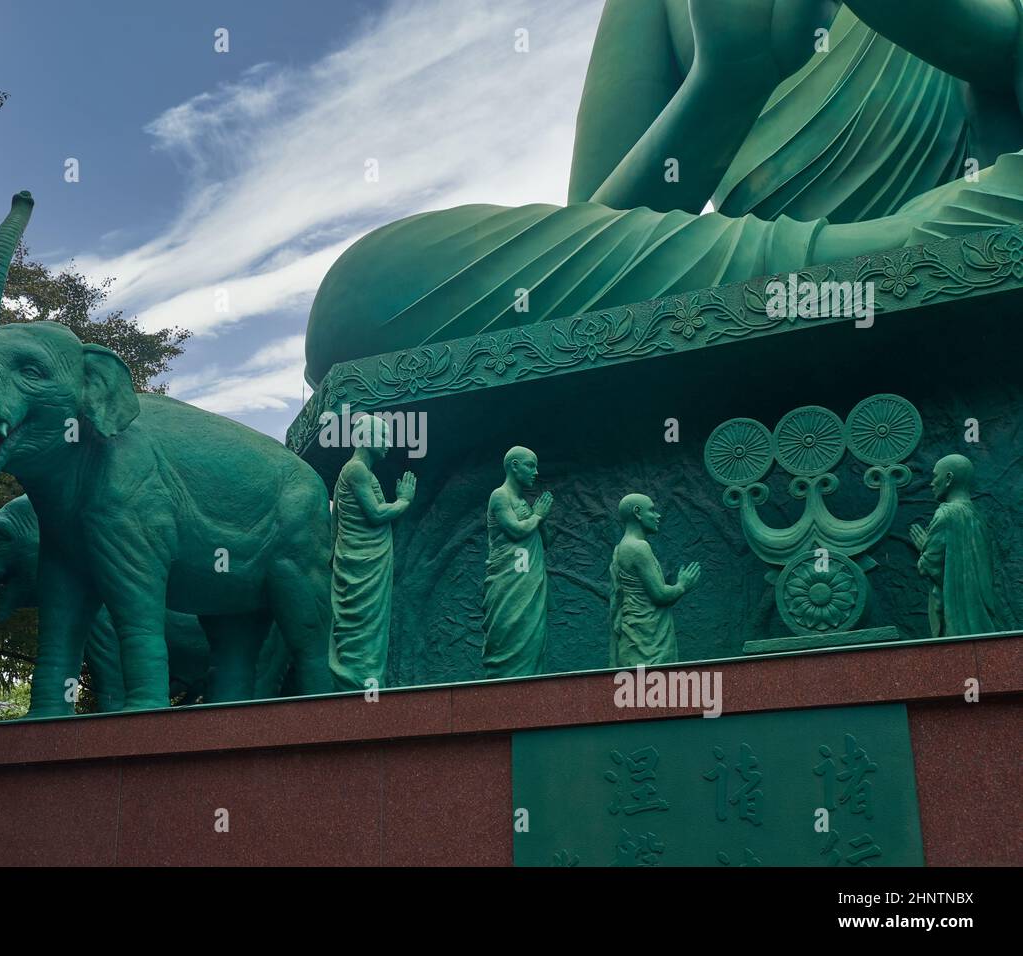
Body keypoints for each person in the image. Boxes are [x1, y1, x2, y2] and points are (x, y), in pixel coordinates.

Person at [305, 0, 1023, 385]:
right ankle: (891, 256)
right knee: (365, 296)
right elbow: (593, 237)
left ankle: (908, 255)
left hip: (993, 226)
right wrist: (726, 82)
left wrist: (956, 29)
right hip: (762, 295)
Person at [329, 414, 416, 690]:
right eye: (384, 436)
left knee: (372, 627)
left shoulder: (362, 472)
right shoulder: (356, 470)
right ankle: (357, 685)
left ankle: (369, 682)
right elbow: (376, 514)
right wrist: (404, 501)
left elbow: (336, 520)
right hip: (360, 563)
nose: (389, 443)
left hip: (369, 561)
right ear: (366, 438)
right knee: (360, 627)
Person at [910, 454, 1003, 637]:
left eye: (935, 476)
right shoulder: (977, 516)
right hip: (982, 612)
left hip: (958, 614)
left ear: (949, 478)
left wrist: (923, 547)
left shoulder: (946, 515)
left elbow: (929, 566)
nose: (931, 483)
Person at [482, 447, 554, 677]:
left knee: (531, 634)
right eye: (530, 465)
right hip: (509, 581)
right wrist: (538, 515)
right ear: (514, 465)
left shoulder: (523, 501)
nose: (536, 472)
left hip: (530, 580)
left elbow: (546, 540)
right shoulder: (500, 495)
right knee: (509, 630)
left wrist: (539, 518)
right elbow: (515, 530)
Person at [609, 494, 701, 666]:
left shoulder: (622, 547)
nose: (658, 516)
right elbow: (659, 595)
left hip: (637, 633)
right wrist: (682, 585)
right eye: (652, 510)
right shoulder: (638, 547)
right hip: (647, 642)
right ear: (637, 512)